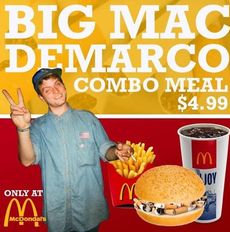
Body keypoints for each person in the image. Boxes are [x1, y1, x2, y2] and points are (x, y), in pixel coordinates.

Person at [2, 68, 133, 232]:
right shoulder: (37, 127)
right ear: (41, 97)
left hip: (89, 212)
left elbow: (106, 149)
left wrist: (118, 152)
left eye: (57, 84)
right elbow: (27, 160)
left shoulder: (88, 119)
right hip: (57, 214)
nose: (55, 91)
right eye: (47, 89)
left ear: (64, 87)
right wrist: (22, 128)